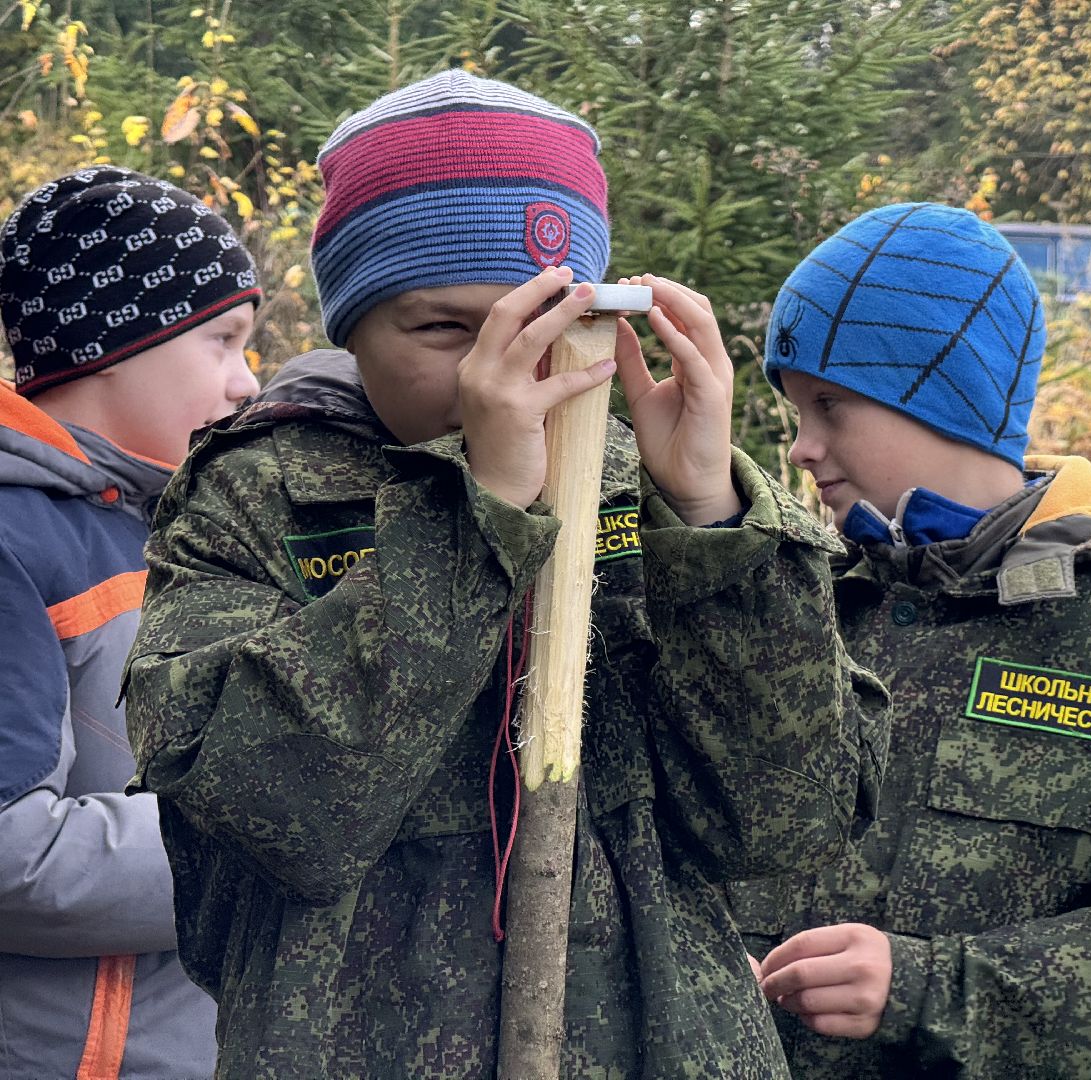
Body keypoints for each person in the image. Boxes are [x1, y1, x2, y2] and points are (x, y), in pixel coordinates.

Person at [121, 70, 885, 1079]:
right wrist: (476, 520)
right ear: (352, 327)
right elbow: (277, 812)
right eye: (446, 330)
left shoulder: (649, 491)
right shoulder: (257, 496)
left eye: (548, 326)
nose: (504, 374)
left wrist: (712, 518)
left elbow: (784, 823)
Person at [732, 202, 1091, 1078]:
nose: (802, 448)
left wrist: (928, 991)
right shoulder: (796, 607)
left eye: (830, 405)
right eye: (794, 411)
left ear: (943, 396)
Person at [0, 166, 260, 1079]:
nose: (246, 382)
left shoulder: (174, 530)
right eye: (223, 341)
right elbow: (12, 857)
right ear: (114, 345)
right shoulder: (14, 539)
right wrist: (268, 833)